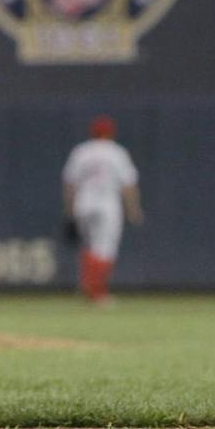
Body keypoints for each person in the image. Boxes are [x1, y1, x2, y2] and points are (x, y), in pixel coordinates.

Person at [63, 116, 142, 305]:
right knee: (105, 249)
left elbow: (70, 184)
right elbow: (128, 185)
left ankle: (88, 287)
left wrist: (69, 211)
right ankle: (97, 292)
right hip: (108, 203)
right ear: (110, 133)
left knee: (90, 247)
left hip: (84, 202)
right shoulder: (117, 152)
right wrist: (133, 209)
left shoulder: (81, 151)